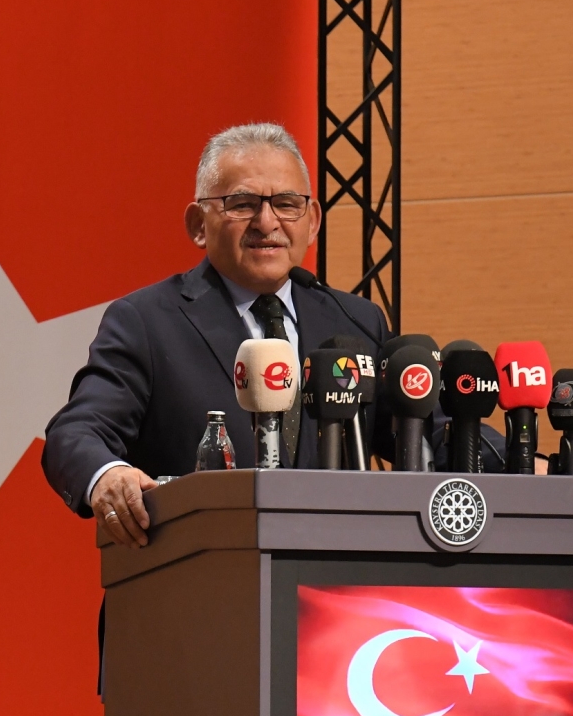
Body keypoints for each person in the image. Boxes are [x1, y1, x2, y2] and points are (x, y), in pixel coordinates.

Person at [43, 122, 390, 548]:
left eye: (286, 204)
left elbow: (422, 434)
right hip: (202, 573)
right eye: (242, 205)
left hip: (331, 577)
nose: (267, 222)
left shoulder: (355, 322)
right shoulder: (148, 322)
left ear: (312, 221)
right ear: (198, 224)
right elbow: (75, 433)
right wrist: (107, 476)